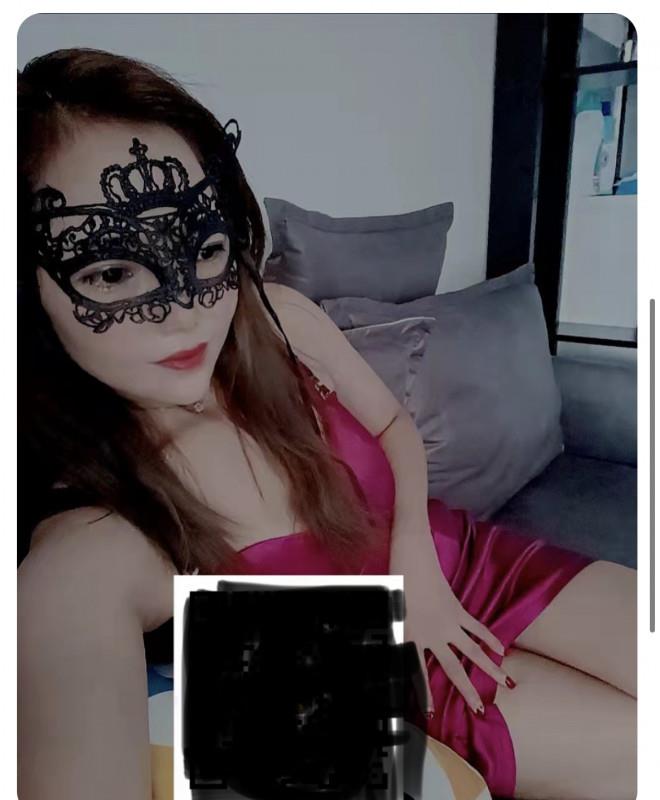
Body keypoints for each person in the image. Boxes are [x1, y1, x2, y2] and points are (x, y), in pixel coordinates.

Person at [17, 48, 636, 800]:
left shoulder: (280, 319)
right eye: (112, 271)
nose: (184, 310)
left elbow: (394, 427)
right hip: (394, 670)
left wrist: (417, 557)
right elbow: (68, 625)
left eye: (202, 247)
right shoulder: (90, 534)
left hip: (466, 559)